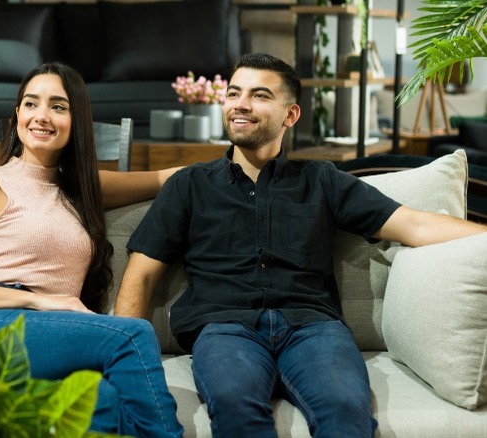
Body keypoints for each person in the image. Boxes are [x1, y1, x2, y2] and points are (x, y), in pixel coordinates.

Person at [114, 52, 487, 437]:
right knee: (234, 404)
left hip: (314, 328)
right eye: (234, 93)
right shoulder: (190, 185)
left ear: (290, 115)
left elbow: (414, 224)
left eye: (259, 95)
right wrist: (124, 360)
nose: (240, 104)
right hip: (225, 327)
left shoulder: (323, 180)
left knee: (347, 409)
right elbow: (140, 276)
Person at [0, 62, 184, 437]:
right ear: (17, 116)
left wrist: (239, 165)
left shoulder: (85, 189)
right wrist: (41, 301)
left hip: (44, 336)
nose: (41, 116)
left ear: (76, 120)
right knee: (133, 334)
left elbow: (166, 179)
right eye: (31, 104)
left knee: (105, 399)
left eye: (58, 106)